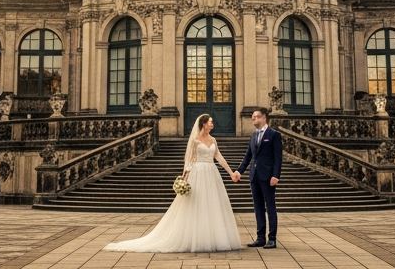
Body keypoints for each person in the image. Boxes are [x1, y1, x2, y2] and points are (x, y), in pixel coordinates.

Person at [104, 114, 240, 253]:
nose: (212, 124)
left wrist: (231, 173)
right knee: (195, 204)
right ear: (203, 124)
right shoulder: (194, 140)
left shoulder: (213, 140)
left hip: (211, 173)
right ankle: (194, 237)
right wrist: (184, 178)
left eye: (212, 122)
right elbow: (189, 160)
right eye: (210, 122)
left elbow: (219, 157)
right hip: (198, 173)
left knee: (212, 203)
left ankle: (213, 236)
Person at [235, 108, 282, 249]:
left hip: (268, 177)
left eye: (256, 117)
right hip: (254, 176)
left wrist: (275, 175)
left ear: (264, 118)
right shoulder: (253, 136)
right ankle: (260, 237)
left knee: (270, 207)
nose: (254, 119)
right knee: (258, 207)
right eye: (253, 117)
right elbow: (248, 156)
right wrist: (239, 171)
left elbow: (278, 158)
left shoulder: (273, 135)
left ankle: (272, 238)